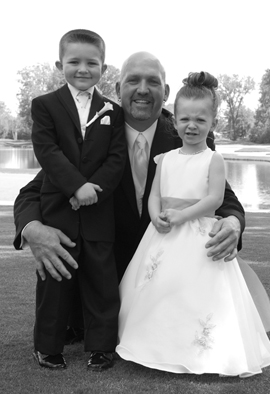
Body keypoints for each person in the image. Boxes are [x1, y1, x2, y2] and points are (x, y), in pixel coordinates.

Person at [12, 52, 248, 369]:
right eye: (133, 80)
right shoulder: (91, 132)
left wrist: (233, 222)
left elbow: (223, 196)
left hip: (164, 290)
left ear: (165, 93)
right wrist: (32, 230)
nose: (142, 89)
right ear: (118, 87)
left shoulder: (187, 133)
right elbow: (33, 193)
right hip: (99, 289)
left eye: (152, 82)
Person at [116, 72, 270, 377]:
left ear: (211, 123)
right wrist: (156, 215)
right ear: (174, 120)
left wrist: (182, 216)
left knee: (194, 291)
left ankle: (199, 352)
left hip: (195, 234)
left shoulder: (213, 159)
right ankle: (154, 347)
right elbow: (155, 195)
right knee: (159, 287)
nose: (191, 126)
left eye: (200, 120)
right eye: (185, 119)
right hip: (162, 235)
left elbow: (215, 200)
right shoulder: (164, 159)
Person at [27, 29, 127, 371]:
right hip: (60, 213)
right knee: (55, 282)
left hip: (99, 212)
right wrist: (75, 188)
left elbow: (116, 159)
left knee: (102, 283)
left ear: (103, 67)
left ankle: (101, 347)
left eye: (91, 63)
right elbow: (48, 152)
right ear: (60, 64)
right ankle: (47, 346)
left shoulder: (113, 111)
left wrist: (92, 190)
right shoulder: (44, 106)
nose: (82, 69)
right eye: (74, 62)